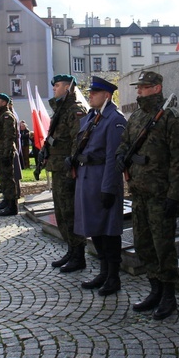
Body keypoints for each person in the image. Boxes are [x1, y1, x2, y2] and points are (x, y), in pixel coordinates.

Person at [115, 71, 179, 319]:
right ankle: (154, 289)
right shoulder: (136, 116)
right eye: (139, 88)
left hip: (160, 194)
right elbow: (125, 142)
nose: (139, 91)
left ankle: (169, 296)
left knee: (163, 247)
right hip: (139, 193)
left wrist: (174, 196)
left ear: (157, 88)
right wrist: (120, 155)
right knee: (144, 244)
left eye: (144, 88)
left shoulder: (170, 119)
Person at [72, 77, 127, 295]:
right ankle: (104, 272)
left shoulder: (114, 119)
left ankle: (113, 277)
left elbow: (114, 157)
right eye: (89, 92)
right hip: (87, 179)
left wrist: (109, 187)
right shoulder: (91, 117)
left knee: (109, 232)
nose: (89, 95)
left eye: (94, 93)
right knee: (95, 229)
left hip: (102, 180)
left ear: (106, 95)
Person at [40, 74, 88, 273]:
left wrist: (72, 163)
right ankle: (71, 249)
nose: (54, 89)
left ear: (68, 88)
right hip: (58, 168)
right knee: (61, 213)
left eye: (58, 85)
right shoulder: (60, 110)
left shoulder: (75, 110)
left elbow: (79, 140)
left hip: (68, 170)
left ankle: (79, 255)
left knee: (70, 213)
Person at [0, 93, 19, 216]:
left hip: (4, 151)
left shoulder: (7, 116)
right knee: (3, 178)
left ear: (3, 103)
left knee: (8, 179)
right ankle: (6, 200)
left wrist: (7, 153)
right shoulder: (0, 115)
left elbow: (9, 136)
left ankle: (12, 205)